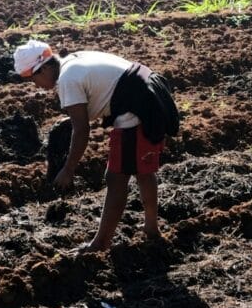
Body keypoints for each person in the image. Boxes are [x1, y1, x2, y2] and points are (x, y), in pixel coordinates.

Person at [13, 39, 178, 253]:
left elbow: (82, 131)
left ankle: (100, 244)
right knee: (143, 172)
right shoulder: (73, 60)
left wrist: (68, 169)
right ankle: (151, 228)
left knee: (115, 177)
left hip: (137, 107)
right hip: (150, 94)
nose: (36, 86)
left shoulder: (67, 80)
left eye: (33, 79)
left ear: (43, 68)